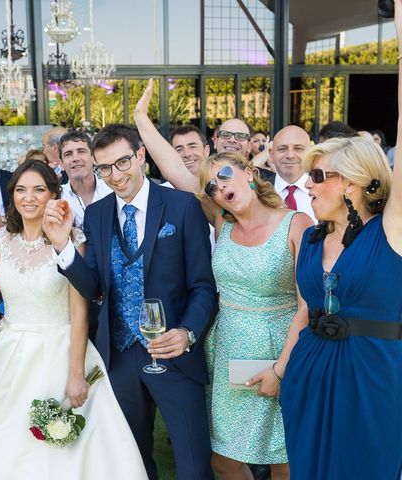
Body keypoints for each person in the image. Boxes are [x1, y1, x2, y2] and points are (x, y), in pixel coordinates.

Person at [133, 79, 312, 480]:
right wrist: (142, 121)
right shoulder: (221, 221)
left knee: (283, 455)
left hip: (280, 350)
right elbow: (178, 170)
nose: (220, 187)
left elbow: (307, 305)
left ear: (250, 172)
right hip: (226, 350)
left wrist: (282, 370)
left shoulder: (296, 224)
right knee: (224, 457)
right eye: (213, 185)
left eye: (226, 176)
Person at [0, 160, 148, 479]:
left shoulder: (72, 240)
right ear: (12, 195)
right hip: (8, 354)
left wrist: (75, 374)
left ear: (54, 195)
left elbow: (79, 310)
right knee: (5, 441)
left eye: (38, 190)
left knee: (64, 452)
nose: (28, 198)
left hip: (61, 349)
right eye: (20, 190)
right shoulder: (3, 238)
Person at [44, 125, 218, 480]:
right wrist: (64, 248)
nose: (115, 175)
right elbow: (93, 287)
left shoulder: (183, 207)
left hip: (174, 355)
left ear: (140, 156)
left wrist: (187, 333)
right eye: (104, 168)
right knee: (132, 462)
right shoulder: (96, 214)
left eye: (122, 162)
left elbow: (203, 286)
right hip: (120, 357)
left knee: (193, 463)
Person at [280, 8, 402, 475]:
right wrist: (283, 371)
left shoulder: (389, 231)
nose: (306, 184)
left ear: (353, 181)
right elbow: (304, 313)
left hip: (372, 379)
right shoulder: (311, 240)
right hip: (311, 373)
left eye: (316, 174)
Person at [58, 130, 112, 228]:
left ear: (93, 158)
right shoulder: (57, 197)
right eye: (68, 154)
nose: (75, 158)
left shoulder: (111, 190)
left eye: (81, 151)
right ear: (61, 164)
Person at [269, 125, 316, 221]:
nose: (290, 155)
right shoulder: (256, 192)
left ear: (311, 153)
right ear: (271, 155)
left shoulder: (324, 191)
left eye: (298, 148)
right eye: (282, 149)